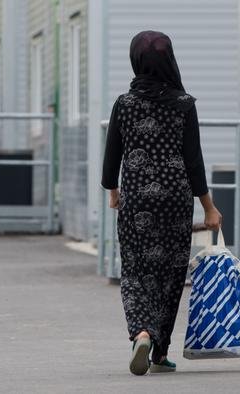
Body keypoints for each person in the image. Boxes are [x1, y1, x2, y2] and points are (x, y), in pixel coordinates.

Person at [100, 30, 222, 375]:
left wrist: (113, 190)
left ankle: (141, 331)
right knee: (170, 273)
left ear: (135, 61)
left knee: (137, 270)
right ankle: (159, 351)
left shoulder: (125, 104)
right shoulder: (184, 105)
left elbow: (112, 156)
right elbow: (193, 160)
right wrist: (209, 207)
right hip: (175, 199)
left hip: (137, 199)